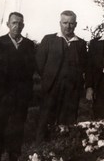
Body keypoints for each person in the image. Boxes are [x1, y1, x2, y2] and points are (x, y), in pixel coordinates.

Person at [36, 10, 87, 142]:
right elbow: (40, 63)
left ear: (75, 24)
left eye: (71, 23)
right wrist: (49, 79)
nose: (68, 26)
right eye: (65, 23)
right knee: (46, 121)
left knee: (67, 123)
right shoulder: (49, 39)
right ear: (60, 23)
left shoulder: (80, 43)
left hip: (71, 90)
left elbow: (83, 65)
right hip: (51, 88)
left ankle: (63, 151)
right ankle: (41, 151)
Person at [0, 12, 35, 161]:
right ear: (8, 24)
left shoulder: (29, 45)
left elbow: (31, 71)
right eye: (14, 23)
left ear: (23, 25)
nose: (17, 26)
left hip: (20, 98)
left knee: (17, 131)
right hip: (0, 98)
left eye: (20, 23)